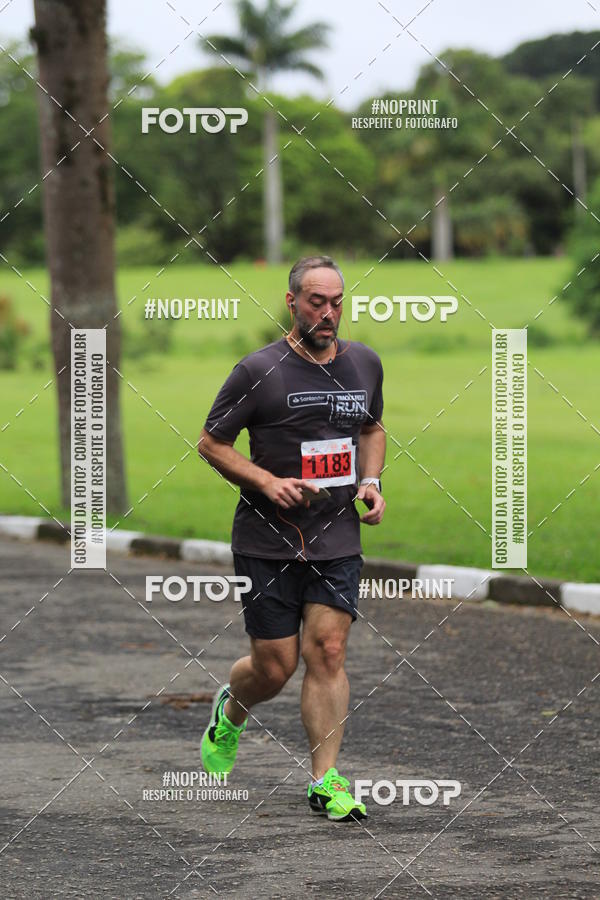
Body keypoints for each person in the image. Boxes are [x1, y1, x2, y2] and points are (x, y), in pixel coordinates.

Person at [198, 255, 386, 821]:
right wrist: (265, 480)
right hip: (267, 539)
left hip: (337, 538)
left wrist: (370, 481)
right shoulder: (259, 370)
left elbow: (372, 427)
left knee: (327, 651)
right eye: (315, 302)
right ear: (292, 302)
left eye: (336, 303)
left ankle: (325, 780)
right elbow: (211, 443)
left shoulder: (365, 364)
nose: (328, 314)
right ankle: (231, 708)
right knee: (274, 668)